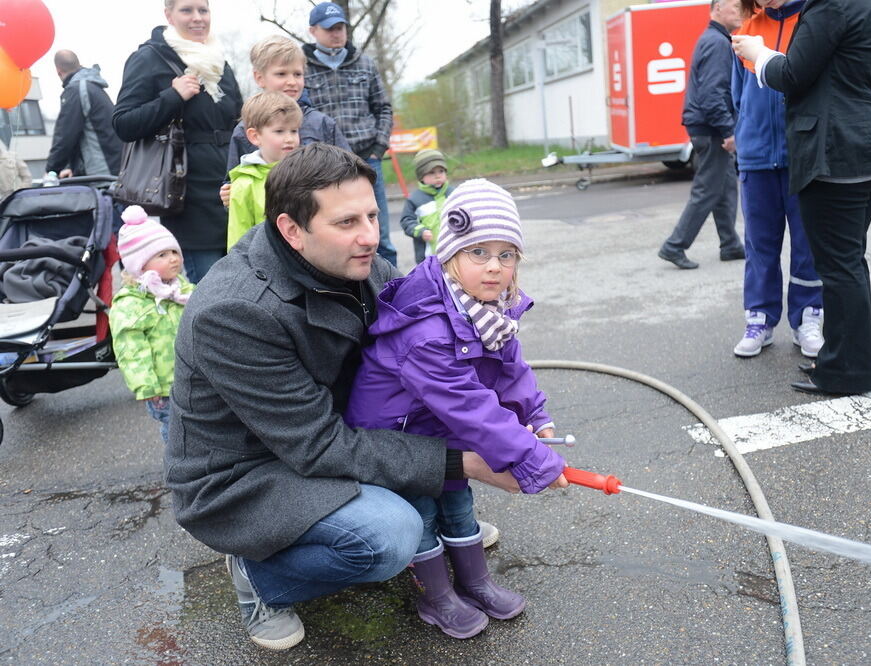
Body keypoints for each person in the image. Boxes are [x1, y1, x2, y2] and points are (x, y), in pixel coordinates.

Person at [163, 143, 518, 651]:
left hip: (331, 431)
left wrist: (508, 413)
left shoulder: (362, 265)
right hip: (249, 472)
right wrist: (466, 463)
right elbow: (318, 447)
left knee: (429, 480)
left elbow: (435, 349)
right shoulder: (234, 311)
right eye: (347, 222)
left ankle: (428, 527)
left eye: (373, 214)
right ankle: (260, 572)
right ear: (291, 229)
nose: (371, 236)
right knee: (388, 536)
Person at [345, 179, 567, 639]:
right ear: (450, 255)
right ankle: (437, 596)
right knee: (423, 512)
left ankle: (476, 581)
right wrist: (532, 460)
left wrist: (537, 418)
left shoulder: (491, 310)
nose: (494, 268)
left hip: (438, 427)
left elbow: (510, 369)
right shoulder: (425, 329)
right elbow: (469, 406)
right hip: (398, 437)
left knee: (459, 502)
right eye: (479, 253)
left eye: (506, 255)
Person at [733, 0, 871, 396]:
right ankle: (843, 360)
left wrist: (758, 54)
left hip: (838, 152)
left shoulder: (833, 6)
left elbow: (794, 73)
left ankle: (849, 370)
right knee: (848, 263)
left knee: (840, 268)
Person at [113, 0, 242, 284]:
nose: (197, 18)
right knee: (210, 293)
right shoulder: (149, 58)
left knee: (239, 290)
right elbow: (123, 124)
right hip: (186, 195)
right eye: (187, 10)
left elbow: (239, 124)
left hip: (229, 191)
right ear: (168, 15)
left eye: (203, 10)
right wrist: (172, 97)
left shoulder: (218, 59)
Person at [731, 0, 823, 359]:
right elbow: (738, 95)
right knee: (760, 245)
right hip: (755, 156)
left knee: (808, 243)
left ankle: (808, 318)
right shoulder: (744, 31)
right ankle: (760, 318)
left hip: (802, 152)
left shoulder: (813, 20)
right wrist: (746, 133)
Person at [303, 2, 397, 266]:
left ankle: (390, 297)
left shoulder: (365, 63)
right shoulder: (302, 68)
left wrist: (379, 147)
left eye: (340, 27)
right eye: (329, 28)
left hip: (367, 159)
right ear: (313, 31)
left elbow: (383, 108)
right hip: (324, 167)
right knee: (335, 234)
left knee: (380, 235)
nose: (336, 33)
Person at [658, 0, 745, 270]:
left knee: (726, 185)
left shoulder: (716, 39)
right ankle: (674, 245)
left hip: (708, 127)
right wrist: (729, 130)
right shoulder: (718, 43)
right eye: (734, 5)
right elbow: (712, 95)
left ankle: (730, 244)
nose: (740, 10)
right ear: (717, 8)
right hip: (712, 130)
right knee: (707, 190)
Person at [110, 206, 193, 443]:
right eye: (162, 255)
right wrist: (146, 385)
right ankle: (178, 473)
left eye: (173, 252)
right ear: (140, 264)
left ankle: (198, 469)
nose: (173, 259)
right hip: (164, 388)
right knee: (176, 433)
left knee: (197, 429)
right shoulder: (132, 303)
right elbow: (130, 347)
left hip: (192, 379)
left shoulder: (182, 290)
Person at [222, 35, 350, 179]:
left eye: (297, 74)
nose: (292, 81)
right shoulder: (245, 129)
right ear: (259, 78)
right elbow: (234, 178)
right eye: (281, 74)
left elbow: (350, 172)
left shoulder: (322, 124)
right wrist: (228, 191)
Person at [227, 91, 302, 250]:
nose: (289, 138)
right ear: (255, 136)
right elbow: (238, 238)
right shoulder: (245, 183)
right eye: (279, 131)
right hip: (266, 267)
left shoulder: (307, 172)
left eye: (294, 131)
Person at [45, 50, 123, 179]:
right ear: (79, 64)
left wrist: (51, 170)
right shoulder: (94, 87)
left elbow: (66, 135)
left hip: (101, 174)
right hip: (117, 166)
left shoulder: (76, 91)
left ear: (58, 71)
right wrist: (70, 167)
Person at [399, 149, 453, 264]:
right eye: (432, 172)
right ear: (421, 176)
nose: (438, 176)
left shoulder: (453, 193)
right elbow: (406, 221)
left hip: (453, 251)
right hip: (427, 256)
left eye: (441, 171)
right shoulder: (414, 199)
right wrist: (421, 231)